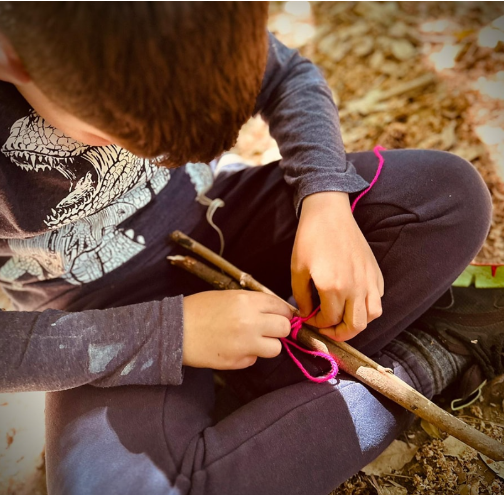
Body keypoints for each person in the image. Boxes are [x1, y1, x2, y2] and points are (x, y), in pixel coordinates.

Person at [0, 3, 498, 494]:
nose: (161, 158)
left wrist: (325, 201)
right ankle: (428, 354)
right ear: (10, 56)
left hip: (222, 215)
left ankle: (273, 376)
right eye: (110, 137)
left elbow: (287, 76)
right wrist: (168, 334)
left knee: (447, 197)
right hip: (99, 314)